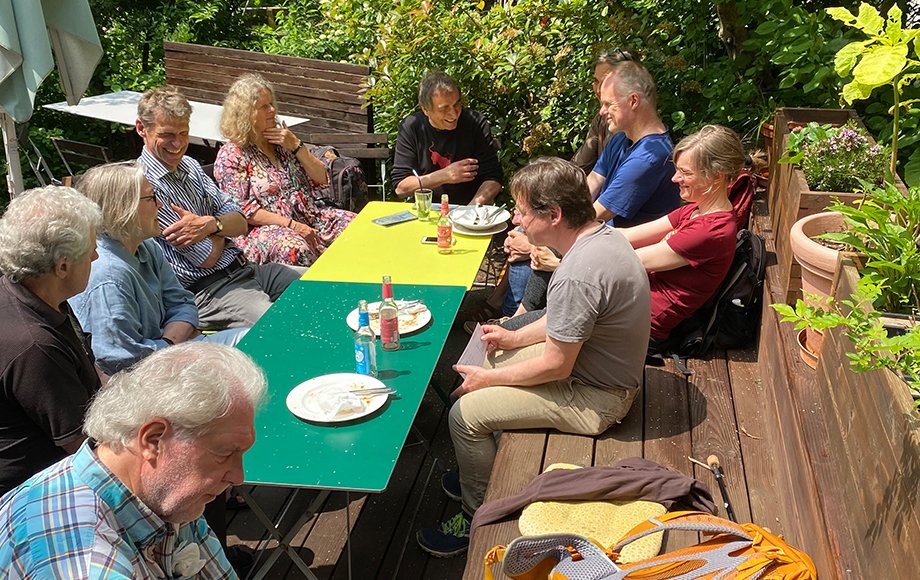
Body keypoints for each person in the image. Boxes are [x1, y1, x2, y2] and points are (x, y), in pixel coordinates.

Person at [417, 157, 650, 557]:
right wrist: (512, 337)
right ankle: (480, 470)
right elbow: (570, 322)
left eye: (523, 212)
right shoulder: (602, 238)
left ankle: (478, 517)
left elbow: (556, 365)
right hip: (594, 369)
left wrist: (486, 381)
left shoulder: (576, 272)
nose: (517, 221)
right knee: (490, 355)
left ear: (554, 214)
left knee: (464, 415)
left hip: (598, 397)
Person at [0, 342, 265, 577]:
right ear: (153, 440)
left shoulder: (164, 489)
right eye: (225, 452)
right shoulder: (88, 564)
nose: (238, 476)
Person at [136, 86, 301, 329]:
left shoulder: (190, 166)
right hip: (211, 291)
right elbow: (207, 258)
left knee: (324, 285)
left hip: (246, 271)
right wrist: (224, 225)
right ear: (142, 128)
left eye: (184, 133)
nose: (178, 143)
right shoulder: (145, 187)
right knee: (282, 327)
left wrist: (211, 224)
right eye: (167, 134)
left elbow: (242, 222)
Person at [69, 162, 249, 375]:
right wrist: (171, 344)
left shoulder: (145, 245)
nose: (161, 205)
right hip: (151, 378)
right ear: (122, 207)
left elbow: (182, 302)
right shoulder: (109, 275)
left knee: (258, 339)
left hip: (173, 351)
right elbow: (122, 361)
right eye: (152, 197)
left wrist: (169, 340)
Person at [0, 186, 103, 496]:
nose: (96, 256)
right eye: (91, 250)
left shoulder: (33, 292)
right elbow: (87, 452)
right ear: (62, 266)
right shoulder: (36, 345)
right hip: (33, 496)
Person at [213, 74, 356, 267]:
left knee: (358, 226)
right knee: (295, 248)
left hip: (309, 218)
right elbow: (243, 210)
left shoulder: (283, 143)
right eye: (264, 106)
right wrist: (292, 225)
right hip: (266, 230)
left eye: (271, 104)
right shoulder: (232, 155)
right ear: (246, 113)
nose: (272, 110)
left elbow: (322, 178)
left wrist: (297, 146)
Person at [620, 125, 743, 346]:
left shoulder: (711, 231)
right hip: (627, 304)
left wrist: (561, 263)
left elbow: (628, 262)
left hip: (640, 327)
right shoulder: (695, 210)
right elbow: (627, 236)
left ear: (716, 177)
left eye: (686, 173)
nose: (675, 179)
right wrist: (571, 237)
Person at [588, 60, 680, 227]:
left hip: (628, 249)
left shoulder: (650, 156)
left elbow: (596, 214)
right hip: (603, 239)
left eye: (608, 104)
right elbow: (591, 185)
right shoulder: (620, 138)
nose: (602, 111)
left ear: (633, 101)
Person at [392, 71, 503, 205]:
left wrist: (469, 211)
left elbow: (493, 179)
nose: (454, 114)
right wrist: (445, 175)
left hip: (472, 210)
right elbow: (401, 188)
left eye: (457, 104)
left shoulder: (475, 122)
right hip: (427, 210)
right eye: (444, 109)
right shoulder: (412, 127)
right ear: (426, 109)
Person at [570, 47, 637, 174]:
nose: (599, 89)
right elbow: (578, 166)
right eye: (596, 81)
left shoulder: (636, 127)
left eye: (606, 81)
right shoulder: (601, 118)